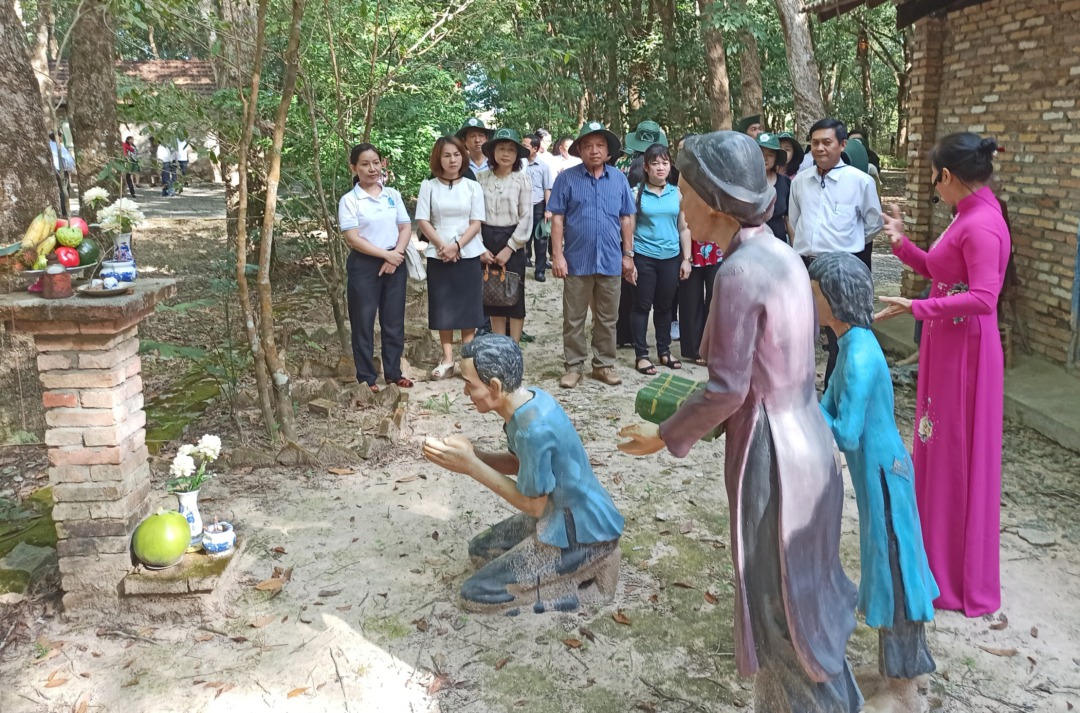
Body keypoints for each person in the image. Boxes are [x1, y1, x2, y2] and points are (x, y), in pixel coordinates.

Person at [618, 131, 861, 712]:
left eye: (684, 189)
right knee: (804, 594)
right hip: (809, 442)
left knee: (780, 608)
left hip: (772, 454)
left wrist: (665, 435)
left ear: (713, 199)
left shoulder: (738, 273)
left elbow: (727, 390)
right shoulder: (779, 253)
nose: (678, 200)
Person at [875, 132, 1010, 618]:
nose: (937, 189)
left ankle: (955, 575)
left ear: (947, 176)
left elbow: (983, 298)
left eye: (935, 182)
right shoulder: (967, 216)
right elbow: (939, 267)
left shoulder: (983, 226)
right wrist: (902, 243)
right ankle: (931, 554)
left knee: (956, 452)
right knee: (936, 446)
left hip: (967, 355)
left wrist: (919, 305)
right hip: (947, 345)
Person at [810, 252, 938, 713]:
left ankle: (905, 689)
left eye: (815, 293)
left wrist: (806, 413)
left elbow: (844, 430)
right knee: (885, 571)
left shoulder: (861, 355)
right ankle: (899, 671)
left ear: (835, 299)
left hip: (885, 477)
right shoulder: (847, 346)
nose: (810, 299)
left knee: (896, 573)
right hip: (874, 476)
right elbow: (826, 406)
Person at [422, 334, 624, 614]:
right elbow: (520, 465)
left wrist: (470, 466)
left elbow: (533, 504)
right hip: (557, 513)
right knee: (480, 551)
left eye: (469, 384)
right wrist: (474, 455)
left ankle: (586, 574)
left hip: (579, 528)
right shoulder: (530, 401)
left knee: (476, 594)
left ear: (494, 386)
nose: (466, 392)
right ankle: (570, 568)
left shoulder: (533, 431)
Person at [789, 117, 883, 389]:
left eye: (827, 142)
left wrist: (849, 243)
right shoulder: (800, 182)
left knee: (840, 335)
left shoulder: (860, 182)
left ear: (842, 145)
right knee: (801, 330)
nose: (820, 148)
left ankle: (835, 392)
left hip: (842, 269)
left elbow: (874, 222)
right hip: (807, 266)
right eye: (815, 143)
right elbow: (796, 220)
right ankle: (799, 389)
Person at [548, 121, 637, 388]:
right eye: (588, 146)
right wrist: (557, 255)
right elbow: (557, 219)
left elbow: (626, 219)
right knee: (574, 317)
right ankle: (574, 365)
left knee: (608, 318)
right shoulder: (567, 178)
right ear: (579, 150)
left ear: (608, 151)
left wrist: (628, 254)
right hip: (576, 260)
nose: (594, 151)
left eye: (600, 146)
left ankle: (603, 364)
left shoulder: (619, 179)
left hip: (611, 259)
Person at [338, 143, 414, 393]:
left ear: (383, 164)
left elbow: (405, 227)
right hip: (365, 265)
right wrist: (386, 256)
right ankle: (367, 378)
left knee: (393, 321)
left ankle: (393, 373)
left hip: (396, 260)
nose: (372, 168)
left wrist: (397, 255)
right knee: (363, 321)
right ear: (354, 168)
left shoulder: (392, 195)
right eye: (364, 164)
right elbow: (353, 238)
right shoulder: (350, 200)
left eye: (375, 162)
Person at [416, 136, 487, 380]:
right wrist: (442, 246)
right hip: (438, 253)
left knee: (468, 307)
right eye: (447, 155)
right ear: (439, 158)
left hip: (467, 252)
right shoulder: (429, 186)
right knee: (442, 307)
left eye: (456, 154)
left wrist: (457, 246)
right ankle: (447, 359)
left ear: (463, 156)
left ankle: (467, 360)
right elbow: (423, 220)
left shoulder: (472, 186)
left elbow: (476, 222)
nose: (452, 160)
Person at [627, 143, 691, 375]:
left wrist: (687, 259)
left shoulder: (677, 193)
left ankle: (664, 351)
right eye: (655, 164)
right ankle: (641, 355)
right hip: (644, 256)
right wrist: (629, 258)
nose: (661, 168)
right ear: (646, 167)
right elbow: (630, 229)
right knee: (642, 306)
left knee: (665, 307)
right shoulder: (636, 194)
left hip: (671, 257)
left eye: (665, 163)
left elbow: (683, 228)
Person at [476, 129, 533, 343]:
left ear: (517, 154)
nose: (506, 154)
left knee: (514, 294)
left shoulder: (523, 180)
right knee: (493, 294)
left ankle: (514, 347)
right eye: (501, 149)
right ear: (493, 152)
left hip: (513, 240)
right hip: (486, 238)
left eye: (511, 150)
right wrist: (480, 247)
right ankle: (500, 343)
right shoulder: (480, 179)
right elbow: (474, 215)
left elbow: (527, 216)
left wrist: (510, 247)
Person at [522, 133, 554, 280]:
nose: (522, 148)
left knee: (541, 240)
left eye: (525, 146)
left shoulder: (544, 167)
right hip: (521, 206)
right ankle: (520, 268)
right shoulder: (519, 164)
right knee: (522, 239)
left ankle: (539, 271)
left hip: (538, 206)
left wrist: (548, 209)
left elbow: (547, 188)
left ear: (535, 149)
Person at [757, 132, 792, 244]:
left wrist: (794, 246)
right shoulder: (746, 182)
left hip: (779, 244)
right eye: (761, 153)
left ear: (776, 158)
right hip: (752, 242)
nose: (765, 158)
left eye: (770, 155)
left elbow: (788, 218)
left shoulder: (785, 182)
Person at [49, 131, 75, 215]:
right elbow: (69, 161)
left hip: (51, 171)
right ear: (58, 137)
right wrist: (69, 169)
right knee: (63, 192)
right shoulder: (60, 147)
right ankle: (64, 212)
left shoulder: (47, 145)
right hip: (61, 171)